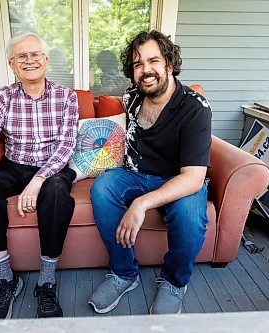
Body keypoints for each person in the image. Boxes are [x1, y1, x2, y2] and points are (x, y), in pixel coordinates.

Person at [88, 30, 212, 315]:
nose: (146, 70)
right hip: (136, 174)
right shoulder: (131, 98)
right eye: (138, 64)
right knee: (102, 188)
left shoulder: (195, 109)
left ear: (169, 64)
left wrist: (141, 203)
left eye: (153, 61)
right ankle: (123, 273)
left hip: (178, 179)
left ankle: (174, 281)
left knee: (189, 214)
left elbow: (193, 178)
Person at [0, 31, 79, 319]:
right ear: (12, 64)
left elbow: (67, 145)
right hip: (14, 164)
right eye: (21, 56)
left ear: (45, 60)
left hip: (53, 168)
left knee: (56, 191)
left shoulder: (67, 97)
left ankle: (46, 281)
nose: (29, 60)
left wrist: (38, 179)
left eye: (35, 54)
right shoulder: (1, 98)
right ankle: (6, 278)